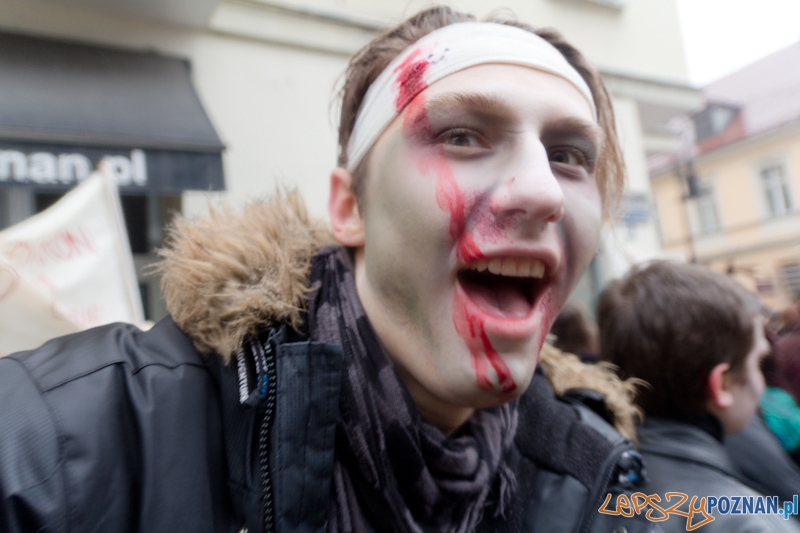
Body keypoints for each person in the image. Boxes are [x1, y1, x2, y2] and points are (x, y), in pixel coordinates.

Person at [0, 6, 657, 533]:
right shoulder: (71, 438)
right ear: (349, 207)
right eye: (462, 135)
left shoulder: (594, 473)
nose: (540, 190)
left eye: (569, 154)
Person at [599, 260, 800, 533]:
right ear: (723, 385)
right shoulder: (750, 523)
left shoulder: (597, 484)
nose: (760, 384)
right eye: (758, 363)